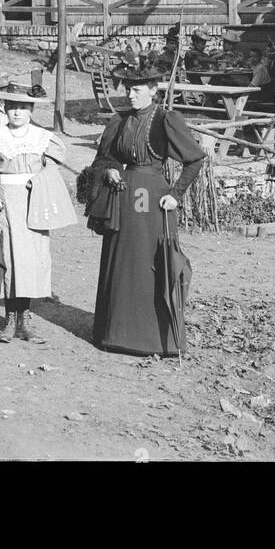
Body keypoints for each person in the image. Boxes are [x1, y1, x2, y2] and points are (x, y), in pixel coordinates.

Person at [86, 82, 206, 356]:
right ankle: (114, 333)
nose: (130, 94)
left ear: (153, 91)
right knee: (122, 260)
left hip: (153, 199)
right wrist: (111, 171)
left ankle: (152, 339)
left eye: (137, 90)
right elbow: (105, 158)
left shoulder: (165, 120)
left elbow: (195, 159)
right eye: (129, 90)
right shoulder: (121, 120)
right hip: (123, 197)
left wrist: (176, 194)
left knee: (149, 262)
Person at [0, 81, 66, 344]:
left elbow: (55, 162)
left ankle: (26, 319)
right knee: (9, 260)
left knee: (31, 261)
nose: (17, 113)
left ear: (31, 109)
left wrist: (42, 178)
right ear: (5, 109)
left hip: (34, 204)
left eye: (23, 107)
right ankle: (10, 319)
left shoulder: (41, 137)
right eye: (12, 107)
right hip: (7, 203)